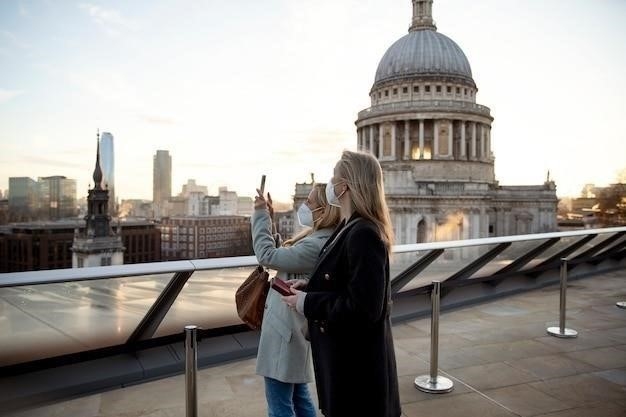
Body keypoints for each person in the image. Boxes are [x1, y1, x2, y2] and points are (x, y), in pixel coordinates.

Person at [283, 150, 402, 417]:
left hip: (356, 370)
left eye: (333, 178)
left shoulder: (364, 234)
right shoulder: (348, 227)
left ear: (344, 185)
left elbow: (364, 309)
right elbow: (342, 282)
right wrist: (309, 288)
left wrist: (307, 302)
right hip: (344, 363)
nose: (330, 185)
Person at [252, 183, 341, 417]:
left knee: (279, 405)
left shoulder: (316, 244)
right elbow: (285, 258)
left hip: (285, 332)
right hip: (293, 330)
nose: (305, 206)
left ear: (324, 211)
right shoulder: (324, 239)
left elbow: (267, 256)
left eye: (310, 202)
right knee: (300, 399)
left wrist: (260, 214)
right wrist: (270, 218)